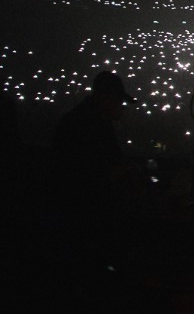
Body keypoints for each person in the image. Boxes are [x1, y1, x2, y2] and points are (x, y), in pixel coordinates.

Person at [47, 70, 148, 284]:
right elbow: (93, 177)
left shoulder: (94, 121)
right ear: (105, 99)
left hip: (87, 210)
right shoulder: (84, 127)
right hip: (83, 216)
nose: (122, 107)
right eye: (119, 101)